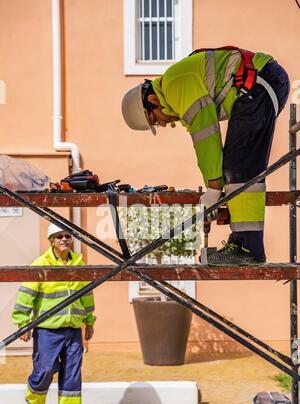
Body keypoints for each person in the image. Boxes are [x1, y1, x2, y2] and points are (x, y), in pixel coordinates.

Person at [121, 46, 290, 265]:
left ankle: (249, 248)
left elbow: (206, 136)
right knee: (237, 166)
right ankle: (242, 243)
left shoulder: (175, 85)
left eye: (155, 119)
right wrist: (216, 187)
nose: (162, 124)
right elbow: (206, 142)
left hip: (259, 84)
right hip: (260, 84)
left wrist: (212, 188)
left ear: (153, 100)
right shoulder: (175, 89)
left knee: (239, 168)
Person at [12, 223, 96, 404]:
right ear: (51, 241)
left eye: (67, 236)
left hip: (73, 329)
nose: (64, 239)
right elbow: (25, 297)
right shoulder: (40, 265)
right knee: (45, 370)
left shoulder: (79, 265)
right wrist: (23, 323)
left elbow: (87, 296)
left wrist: (89, 322)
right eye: (59, 237)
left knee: (72, 374)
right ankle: (34, 402)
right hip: (48, 330)